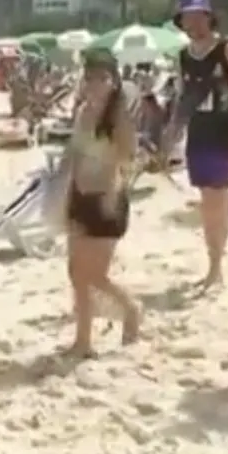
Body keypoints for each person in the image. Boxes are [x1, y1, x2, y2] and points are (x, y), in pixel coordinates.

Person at [166, 0, 228, 289]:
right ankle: (214, 262)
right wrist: (171, 135)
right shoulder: (183, 56)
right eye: (187, 16)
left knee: (216, 202)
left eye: (198, 14)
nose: (192, 21)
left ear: (208, 16)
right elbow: (183, 99)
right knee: (208, 203)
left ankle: (215, 267)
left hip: (226, 136)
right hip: (200, 135)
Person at [60, 50, 141, 358]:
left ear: (114, 81)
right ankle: (83, 340)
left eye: (102, 78)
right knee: (75, 273)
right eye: (90, 77)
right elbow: (76, 157)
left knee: (94, 275)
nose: (95, 84)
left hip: (108, 199)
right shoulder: (82, 113)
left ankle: (130, 309)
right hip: (80, 196)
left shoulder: (119, 118)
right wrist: (66, 194)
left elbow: (125, 161)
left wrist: (109, 195)